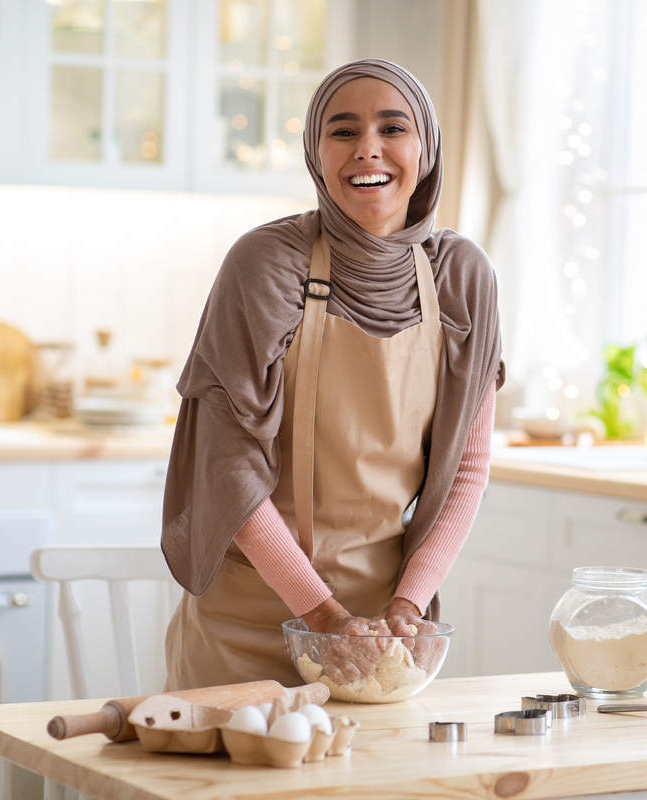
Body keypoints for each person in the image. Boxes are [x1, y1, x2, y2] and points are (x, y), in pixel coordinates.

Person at [160, 59, 504, 690]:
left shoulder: (461, 275)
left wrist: (407, 607)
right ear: (316, 154)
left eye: (393, 128)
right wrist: (320, 613)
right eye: (343, 131)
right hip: (249, 620)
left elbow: (467, 467)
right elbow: (228, 467)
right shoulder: (266, 262)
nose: (367, 148)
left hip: (379, 632)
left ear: (425, 148)